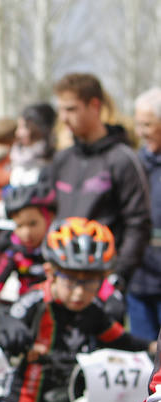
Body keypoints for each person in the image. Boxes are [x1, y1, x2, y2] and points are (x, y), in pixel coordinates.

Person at [0, 217, 155, 402]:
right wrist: (8, 328)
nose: (80, 293)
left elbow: (122, 340)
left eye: (90, 282)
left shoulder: (93, 311)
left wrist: (153, 348)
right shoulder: (36, 301)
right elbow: (7, 320)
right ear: (50, 273)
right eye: (70, 281)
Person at [42, 72, 151, 292]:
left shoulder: (122, 158)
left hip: (99, 283)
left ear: (94, 106)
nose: (63, 118)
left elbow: (138, 224)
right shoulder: (63, 159)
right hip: (61, 281)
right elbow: (48, 214)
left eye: (71, 109)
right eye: (61, 110)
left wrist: (117, 278)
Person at [0, 182, 56, 309]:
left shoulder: (57, 249)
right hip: (25, 308)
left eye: (33, 223)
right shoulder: (15, 251)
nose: (26, 233)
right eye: (19, 226)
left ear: (49, 218)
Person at [127, 87, 161, 341]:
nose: (140, 132)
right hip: (139, 275)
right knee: (143, 350)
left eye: (147, 124)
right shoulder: (135, 163)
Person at [8, 102, 56, 191]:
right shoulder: (17, 158)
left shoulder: (52, 162)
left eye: (23, 127)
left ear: (38, 128)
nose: (17, 133)